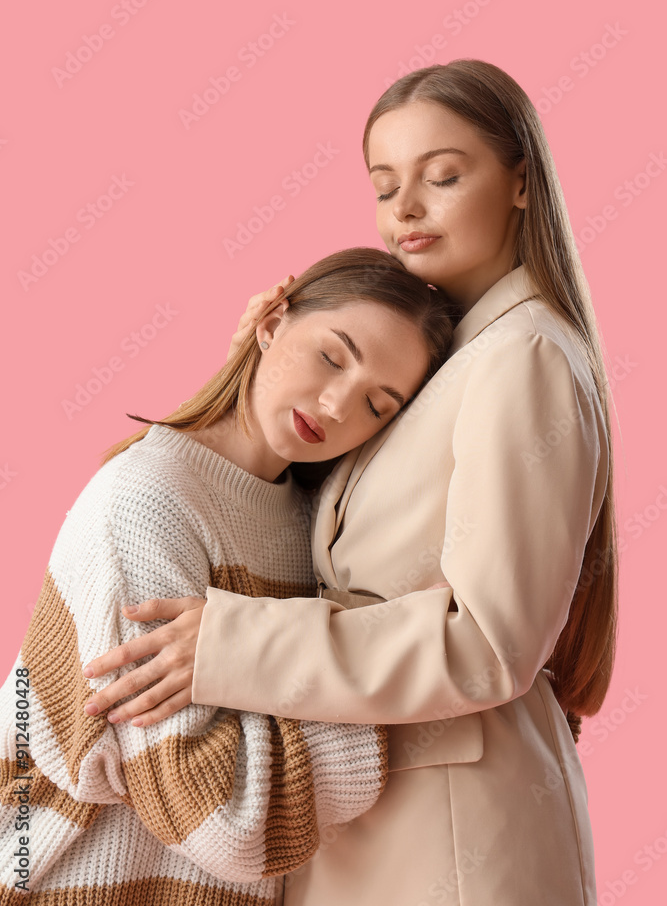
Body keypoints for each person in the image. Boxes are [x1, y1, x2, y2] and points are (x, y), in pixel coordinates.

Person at [80, 60, 618, 905]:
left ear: (521, 182)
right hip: (372, 820)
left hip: (452, 840)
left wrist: (232, 645)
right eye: (384, 185)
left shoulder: (524, 356)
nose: (406, 209)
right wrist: (253, 376)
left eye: (443, 176)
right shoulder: (442, 354)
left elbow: (488, 642)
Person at [0, 248, 455, 905]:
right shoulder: (146, 505)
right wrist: (394, 689)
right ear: (270, 322)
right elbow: (220, 819)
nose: (335, 406)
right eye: (331, 356)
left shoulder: (314, 524)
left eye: (376, 405)